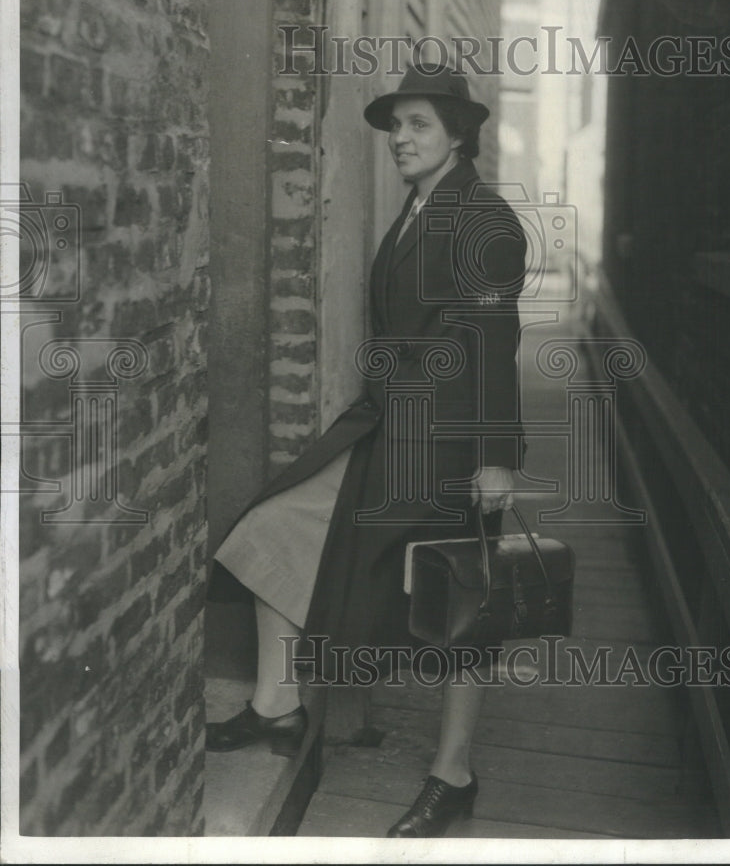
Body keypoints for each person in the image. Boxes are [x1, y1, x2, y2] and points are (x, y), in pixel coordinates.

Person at [206, 63, 527, 838]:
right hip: (388, 422)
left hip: (448, 439)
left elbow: (493, 343)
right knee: (272, 525)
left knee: (459, 601)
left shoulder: (483, 220)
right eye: (395, 125)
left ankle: (452, 775)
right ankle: (279, 707)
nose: (400, 138)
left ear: (458, 134)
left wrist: (494, 457)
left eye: (418, 124)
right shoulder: (419, 209)